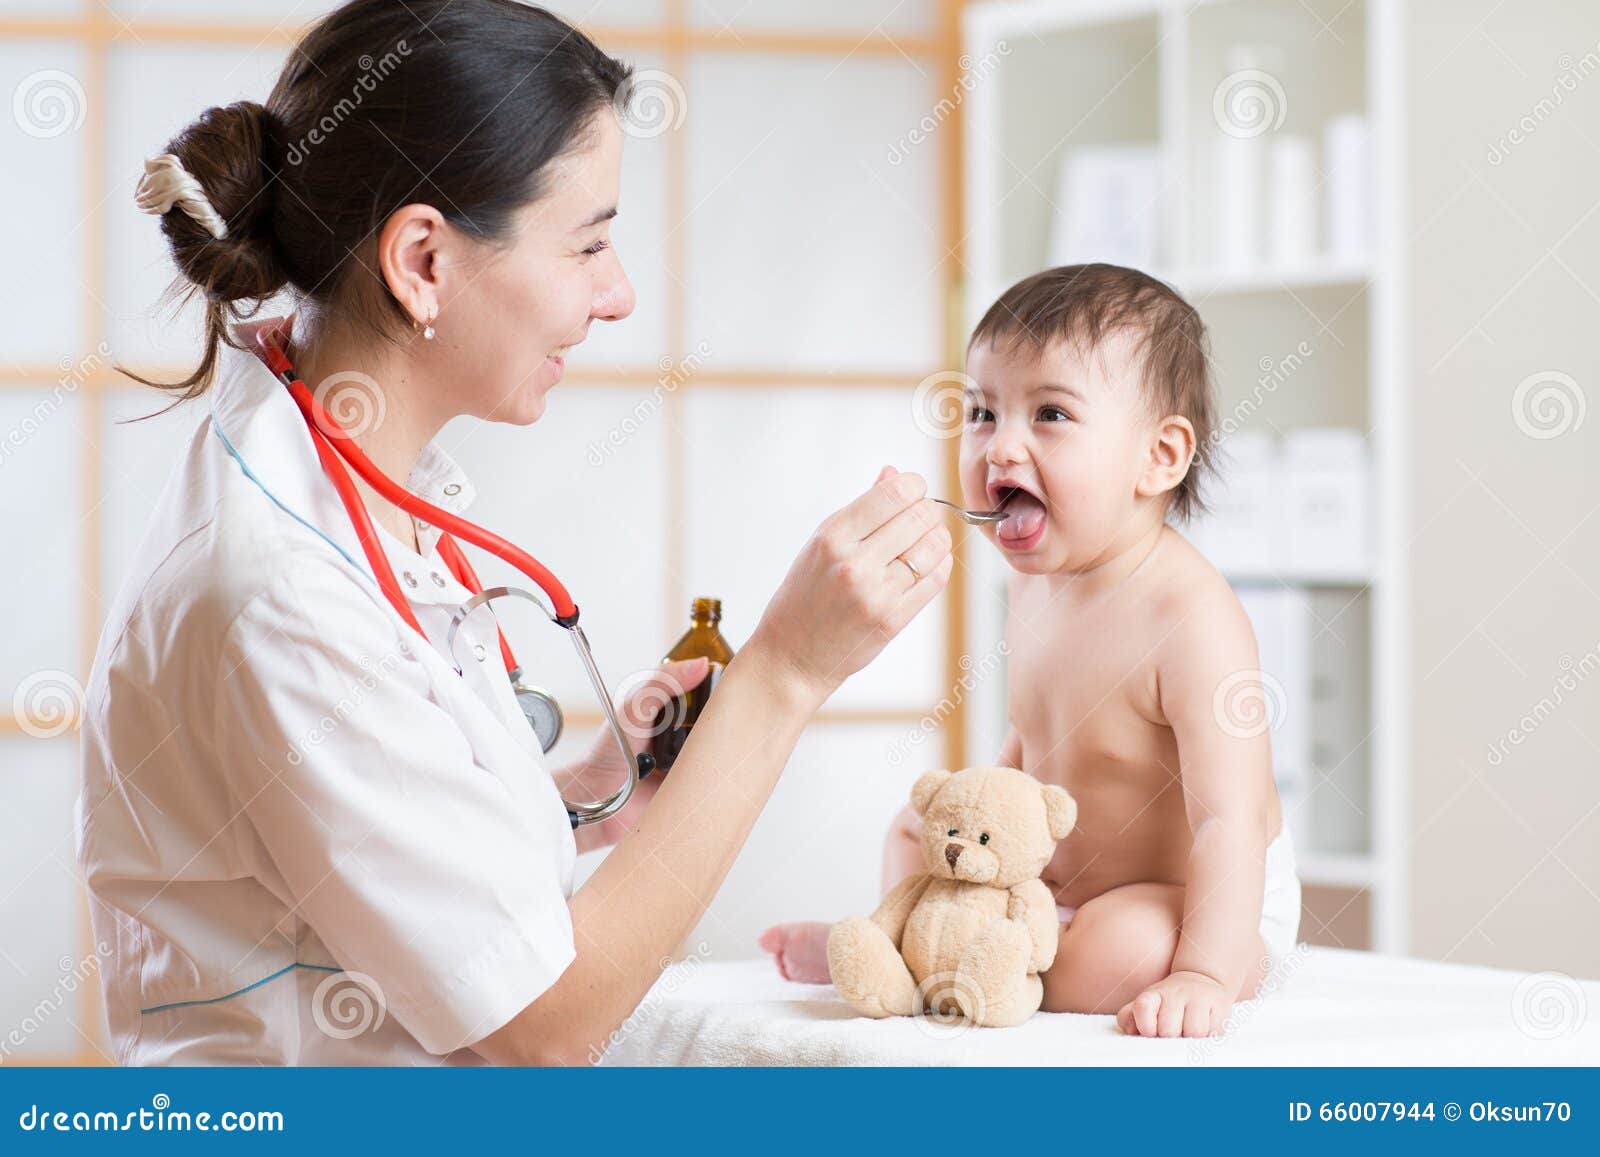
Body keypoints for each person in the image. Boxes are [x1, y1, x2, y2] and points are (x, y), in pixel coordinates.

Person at [76, 0, 953, 1065]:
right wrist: (784, 675)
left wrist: (589, 797)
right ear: (424, 262)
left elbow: (355, 843)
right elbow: (545, 1020)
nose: (617, 294)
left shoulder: (345, 474)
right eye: (588, 242)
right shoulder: (283, 590)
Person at [760, 265, 1300, 1038]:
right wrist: (984, 820)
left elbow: (1230, 819)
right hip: (1051, 877)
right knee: (914, 829)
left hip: (1190, 892)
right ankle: (907, 948)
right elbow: (1038, 738)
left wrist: (1203, 972)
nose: (1000, 445)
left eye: (1049, 413)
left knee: (1125, 949)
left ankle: (971, 959)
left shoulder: (1190, 615)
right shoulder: (1035, 586)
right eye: (981, 412)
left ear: (1160, 456)